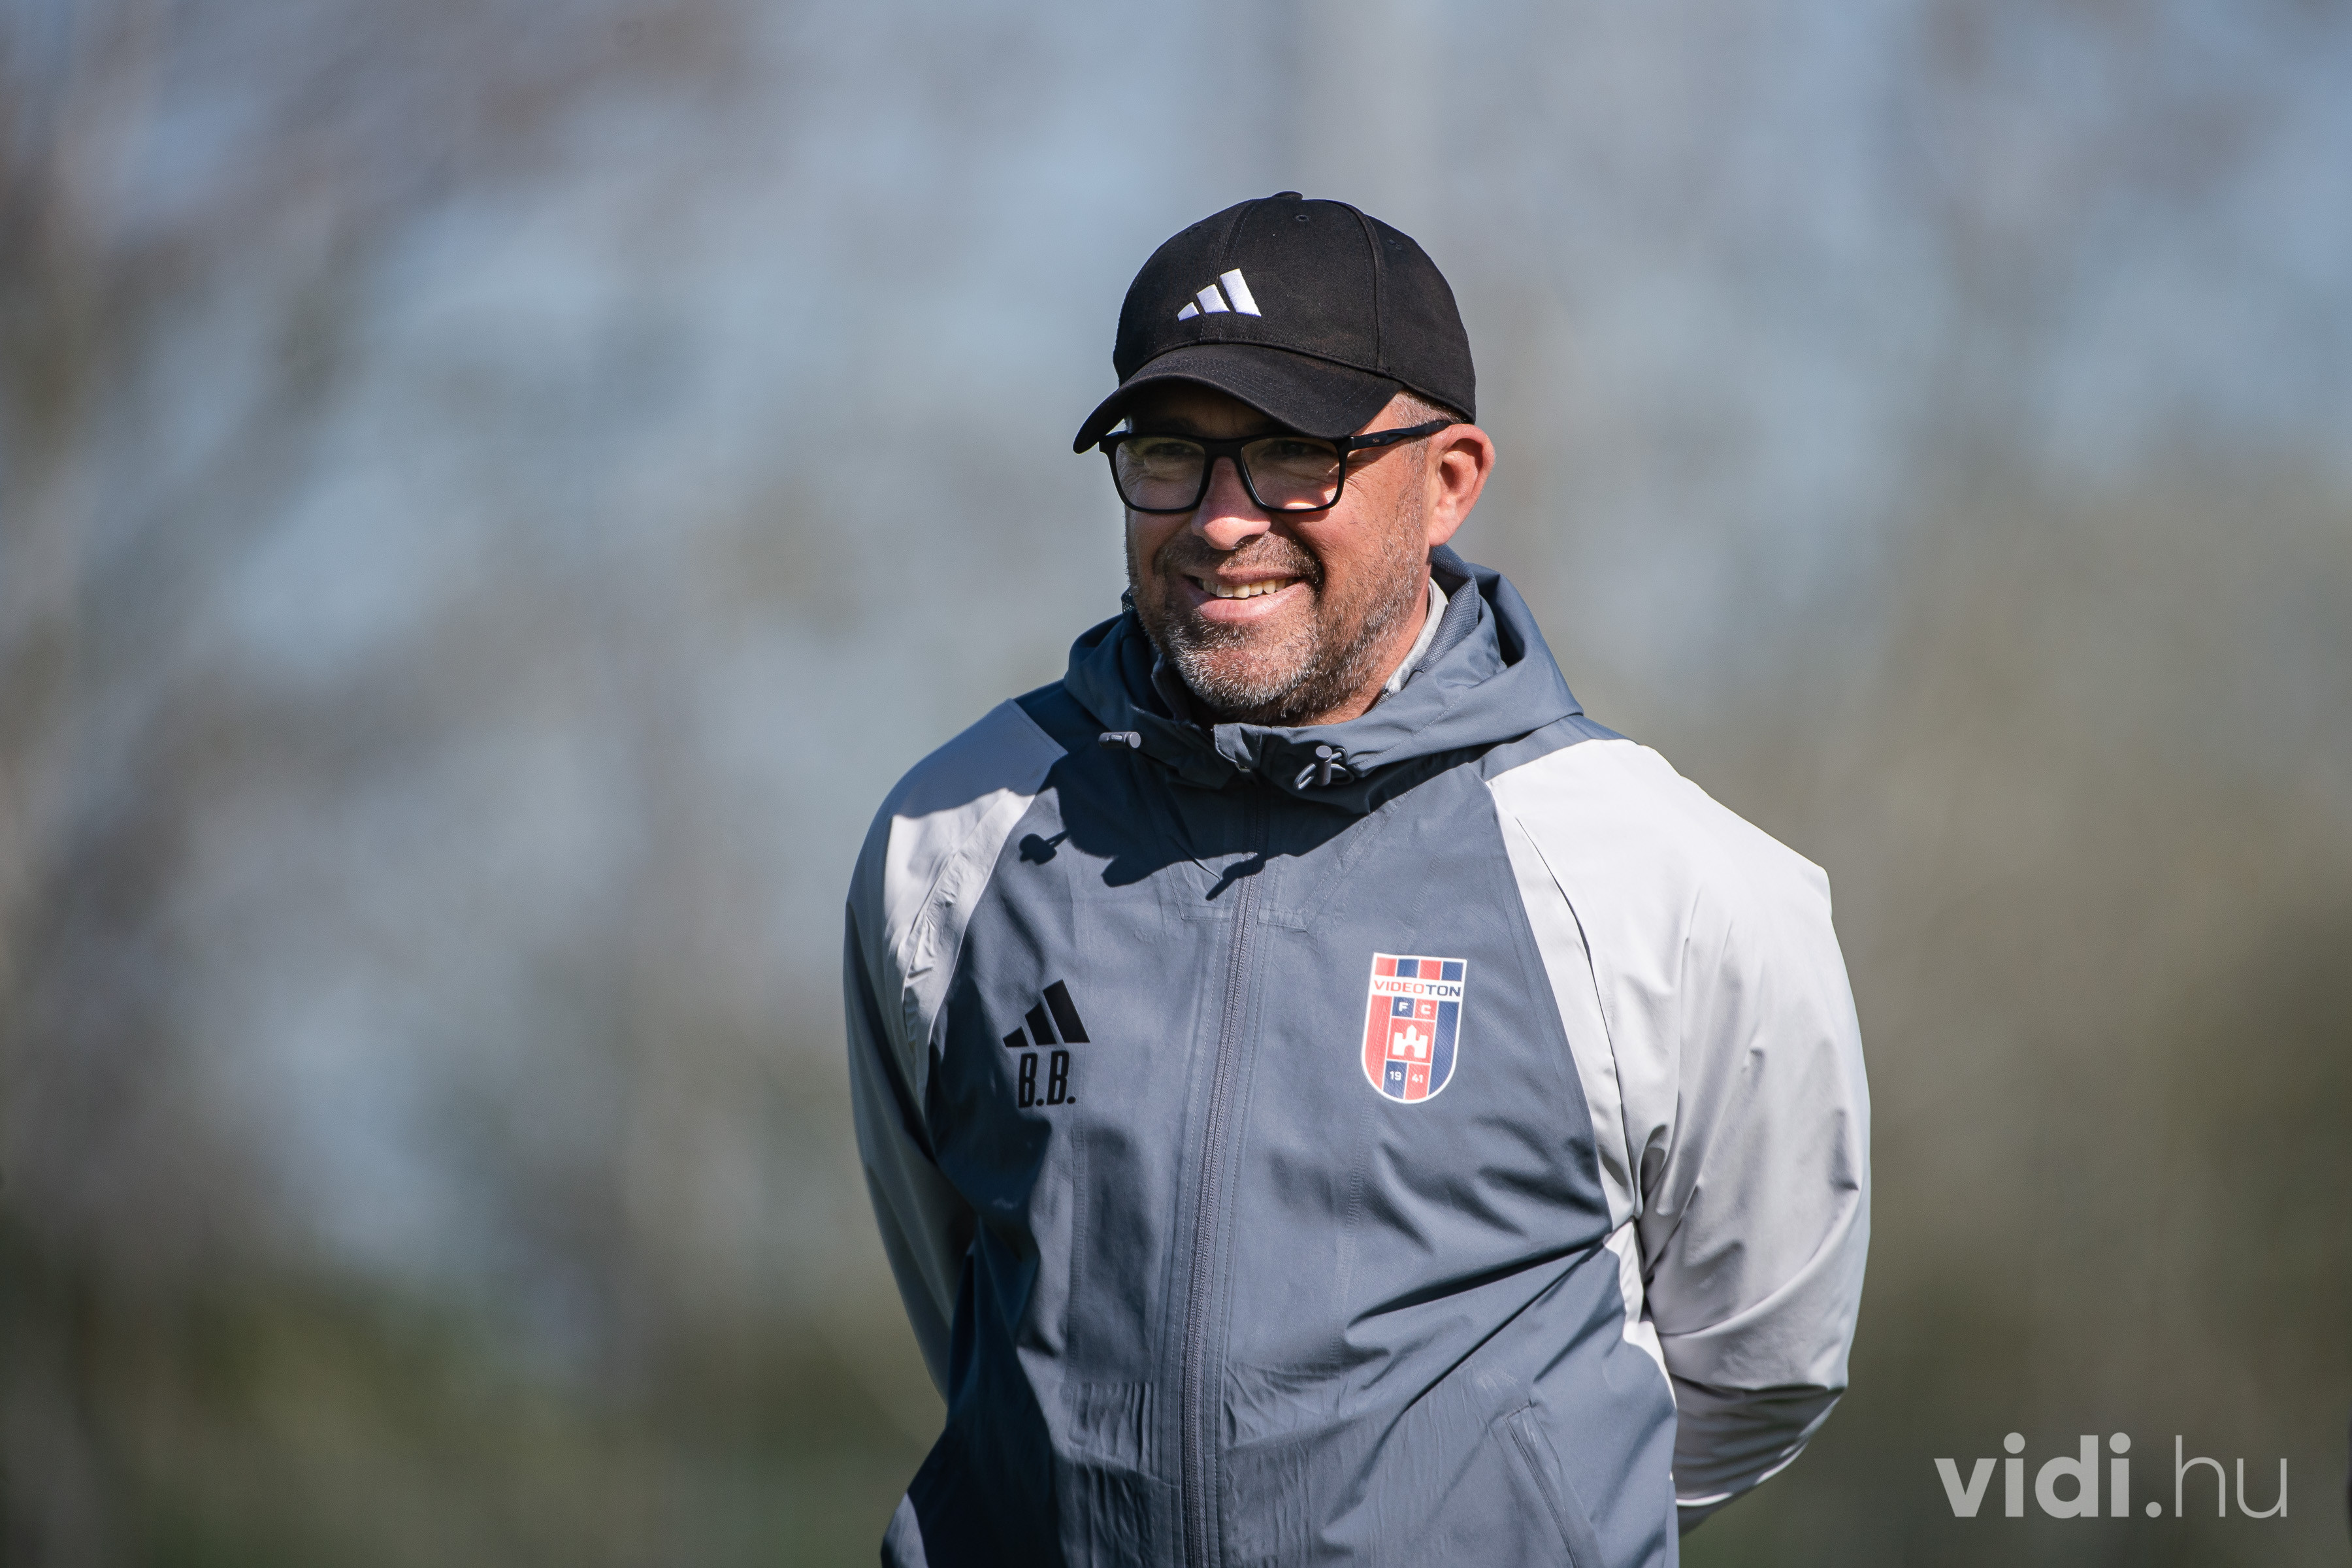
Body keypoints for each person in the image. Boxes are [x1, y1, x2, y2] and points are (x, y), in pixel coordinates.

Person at [845, 192, 1870, 1567]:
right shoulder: (951, 836)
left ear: (1450, 480)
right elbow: (966, 1304)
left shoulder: (1663, 876)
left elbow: (1762, 1369)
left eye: (1293, 453)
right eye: (1171, 452)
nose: (1222, 521)